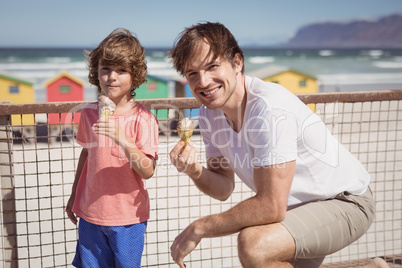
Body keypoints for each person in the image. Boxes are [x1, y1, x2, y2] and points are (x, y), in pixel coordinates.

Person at [168, 22, 388, 268]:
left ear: (237, 62)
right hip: (297, 210)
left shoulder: (268, 108)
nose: (204, 81)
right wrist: (195, 170)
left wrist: (199, 228)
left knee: (255, 245)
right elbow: (223, 187)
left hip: (345, 202)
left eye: (212, 66)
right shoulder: (209, 115)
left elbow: (271, 207)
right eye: (192, 73)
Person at [65, 28, 159, 268]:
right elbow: (87, 155)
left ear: (135, 75)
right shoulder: (88, 113)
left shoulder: (144, 119)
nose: (112, 77)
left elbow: (148, 170)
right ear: (96, 73)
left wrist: (124, 140)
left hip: (128, 218)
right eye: (105, 69)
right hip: (90, 214)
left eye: (121, 70)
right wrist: (75, 194)